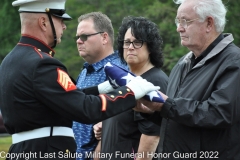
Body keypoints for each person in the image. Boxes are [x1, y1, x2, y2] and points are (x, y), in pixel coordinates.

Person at [0, 0, 160, 159]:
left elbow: (59, 97)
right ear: (43, 22)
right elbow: (85, 109)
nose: (63, 26)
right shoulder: (42, 64)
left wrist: (99, 89)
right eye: (60, 20)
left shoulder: (9, 61)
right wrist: (131, 92)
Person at [136, 0, 240, 159]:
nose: (179, 28)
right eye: (178, 21)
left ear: (209, 23)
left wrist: (166, 105)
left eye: (185, 21)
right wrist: (151, 110)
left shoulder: (234, 62)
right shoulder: (182, 63)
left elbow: (219, 113)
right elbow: (177, 118)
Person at [93, 16, 168, 160]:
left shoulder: (154, 81)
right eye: (127, 42)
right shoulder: (122, 80)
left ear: (150, 47)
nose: (131, 47)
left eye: (137, 42)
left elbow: (152, 136)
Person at [72, 12, 128, 160]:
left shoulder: (119, 70)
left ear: (104, 37)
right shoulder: (85, 71)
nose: (78, 41)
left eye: (84, 36)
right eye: (77, 37)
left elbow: (120, 117)